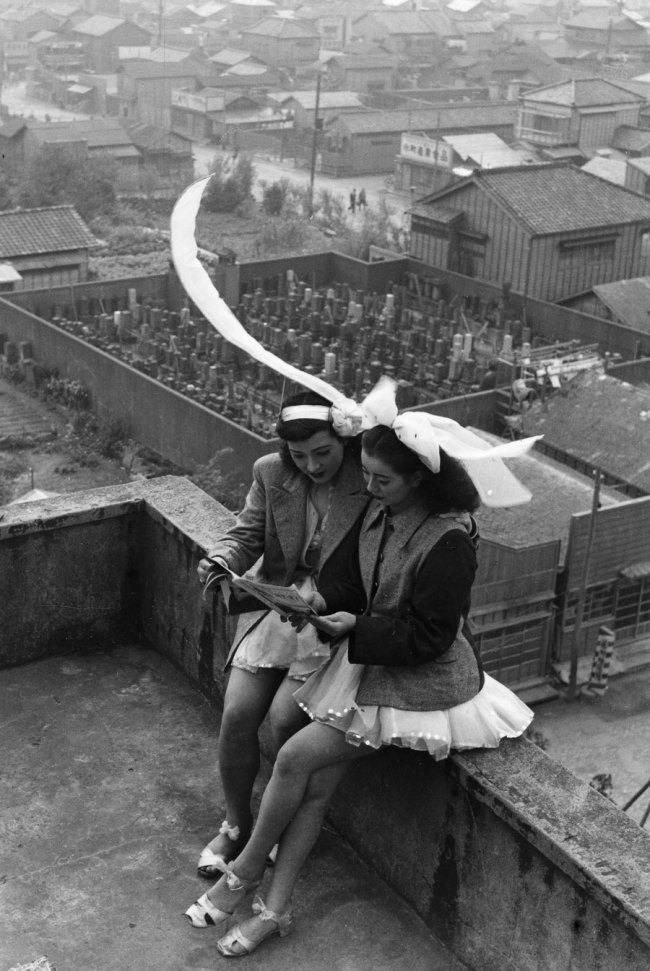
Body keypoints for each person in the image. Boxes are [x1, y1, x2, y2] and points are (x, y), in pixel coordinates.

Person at [185, 410, 534, 955]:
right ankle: (273, 911)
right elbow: (352, 581)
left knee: (294, 758)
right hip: (372, 664)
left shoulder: (449, 539)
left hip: (421, 684)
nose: (367, 487)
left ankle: (245, 873)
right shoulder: (382, 511)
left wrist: (355, 627)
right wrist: (319, 604)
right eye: (366, 474)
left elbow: (433, 636)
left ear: (419, 478)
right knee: (315, 787)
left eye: (381, 479)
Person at [192, 389, 368, 884]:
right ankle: (235, 823)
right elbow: (247, 533)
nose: (312, 465)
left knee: (283, 720)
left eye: (323, 452)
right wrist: (221, 559)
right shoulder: (271, 473)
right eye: (299, 454)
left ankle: (278, 827)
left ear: (344, 440)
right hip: (276, 604)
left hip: (330, 613)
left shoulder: (367, 481)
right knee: (236, 715)